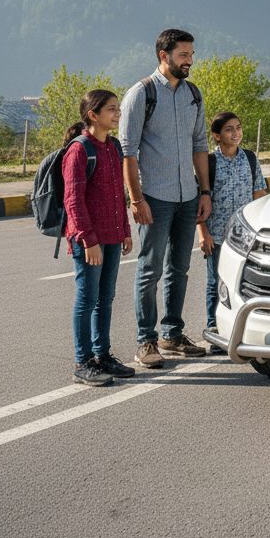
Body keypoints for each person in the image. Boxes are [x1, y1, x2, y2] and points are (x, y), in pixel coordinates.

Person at [121, 29, 211, 368]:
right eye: (184, 55)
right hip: (154, 197)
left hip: (188, 196)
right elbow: (128, 152)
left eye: (191, 54)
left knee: (180, 268)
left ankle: (171, 335)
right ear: (164, 55)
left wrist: (204, 191)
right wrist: (136, 199)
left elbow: (200, 145)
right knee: (149, 270)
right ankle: (146, 341)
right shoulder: (141, 94)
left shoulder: (193, 94)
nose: (190, 60)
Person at [62, 90, 135, 385]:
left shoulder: (113, 146)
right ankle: (83, 362)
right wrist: (88, 240)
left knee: (106, 298)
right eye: (112, 110)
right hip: (89, 241)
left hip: (113, 236)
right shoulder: (80, 150)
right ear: (93, 115)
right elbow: (73, 201)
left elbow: (120, 196)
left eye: (118, 109)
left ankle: (102, 356)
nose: (117, 114)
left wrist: (126, 231)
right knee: (87, 299)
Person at [200, 112, 267, 353]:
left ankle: (244, 329)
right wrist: (203, 233)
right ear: (217, 136)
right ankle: (215, 330)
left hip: (245, 237)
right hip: (217, 235)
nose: (236, 133)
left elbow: (259, 192)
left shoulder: (249, 158)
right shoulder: (208, 163)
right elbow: (200, 201)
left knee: (245, 282)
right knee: (215, 284)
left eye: (238, 127)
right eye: (229, 129)